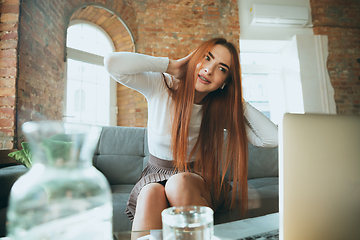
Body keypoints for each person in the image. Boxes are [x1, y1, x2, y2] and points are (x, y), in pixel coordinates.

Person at [104, 38, 278, 231]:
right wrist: (172, 66)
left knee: (179, 182)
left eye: (221, 69)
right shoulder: (162, 84)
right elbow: (112, 63)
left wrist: (235, 98)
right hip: (155, 174)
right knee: (151, 193)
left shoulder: (219, 109)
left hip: (197, 179)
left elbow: (271, 138)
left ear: (225, 83)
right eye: (206, 58)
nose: (209, 70)